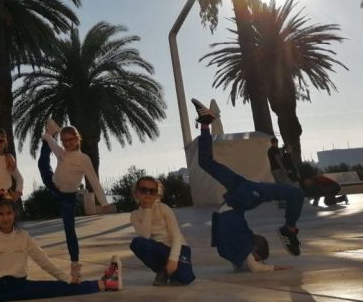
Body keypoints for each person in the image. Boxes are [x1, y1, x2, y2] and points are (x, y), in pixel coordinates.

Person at [192, 98, 304, 256]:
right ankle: (289, 228)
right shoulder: (233, 228)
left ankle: (205, 123)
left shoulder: (233, 229)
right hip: (249, 190)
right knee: (206, 163)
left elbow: (234, 242)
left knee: (206, 162)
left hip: (245, 190)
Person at [39, 120, 114, 282]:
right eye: (64, 140)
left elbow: (93, 180)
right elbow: (52, 144)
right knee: (42, 163)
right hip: (53, 185)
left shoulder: (84, 159)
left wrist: (104, 203)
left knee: (69, 230)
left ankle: (75, 266)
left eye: (70, 139)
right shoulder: (62, 153)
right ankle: (50, 131)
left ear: (77, 139)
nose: (67, 143)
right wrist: (48, 136)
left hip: (68, 196)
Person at [129, 176, 195, 286]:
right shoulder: (135, 215)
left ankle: (169, 271)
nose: (148, 193)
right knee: (137, 243)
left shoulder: (164, 209)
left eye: (152, 191)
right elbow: (145, 235)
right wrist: (147, 209)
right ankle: (161, 271)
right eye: (144, 190)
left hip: (178, 247)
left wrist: (173, 258)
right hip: (158, 249)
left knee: (184, 278)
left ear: (157, 194)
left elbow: (176, 235)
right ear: (136, 192)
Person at [211, 206, 291, 272]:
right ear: (255, 248)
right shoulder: (247, 245)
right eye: (256, 259)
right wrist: (274, 267)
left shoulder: (242, 242)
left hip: (228, 213)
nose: (254, 260)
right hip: (229, 212)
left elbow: (237, 266)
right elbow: (255, 268)